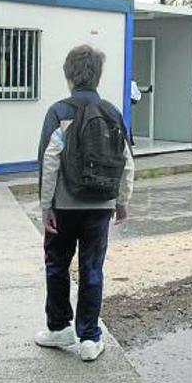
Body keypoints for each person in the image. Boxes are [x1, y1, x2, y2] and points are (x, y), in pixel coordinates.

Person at [35, 45, 135, 362]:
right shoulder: (111, 112)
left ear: (69, 76)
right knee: (92, 268)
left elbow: (50, 161)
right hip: (100, 205)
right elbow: (127, 162)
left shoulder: (59, 112)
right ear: (98, 76)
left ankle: (59, 327)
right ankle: (90, 337)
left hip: (64, 206)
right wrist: (121, 200)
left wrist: (45, 205)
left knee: (57, 265)